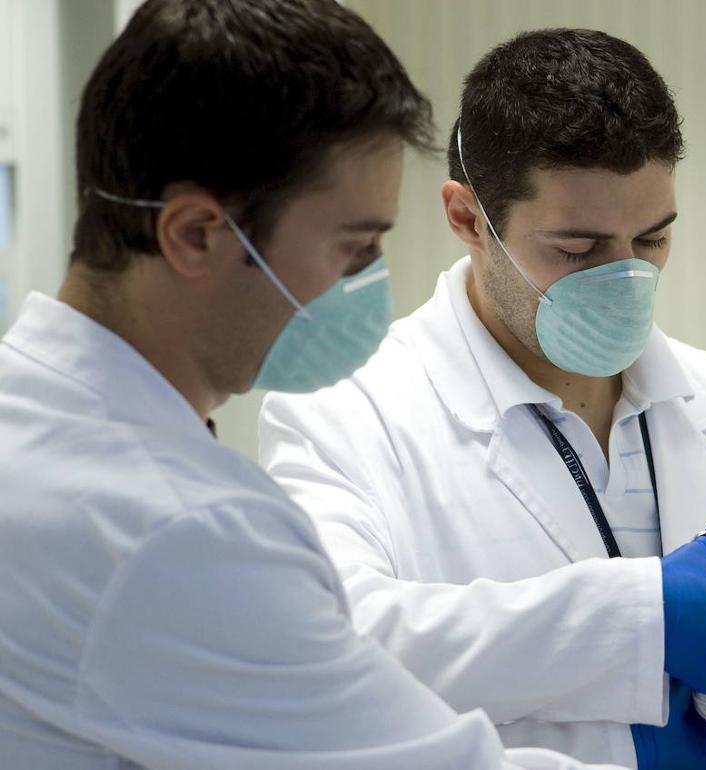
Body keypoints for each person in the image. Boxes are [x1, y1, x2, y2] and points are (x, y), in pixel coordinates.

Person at [258, 28, 706, 770]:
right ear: (467, 219)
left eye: (652, 239)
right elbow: (324, 650)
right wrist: (633, 620)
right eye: (577, 250)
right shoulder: (345, 415)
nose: (626, 279)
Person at [0, 2, 641, 767]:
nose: (368, 283)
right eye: (354, 247)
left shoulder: (35, 423)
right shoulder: (174, 530)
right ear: (196, 234)